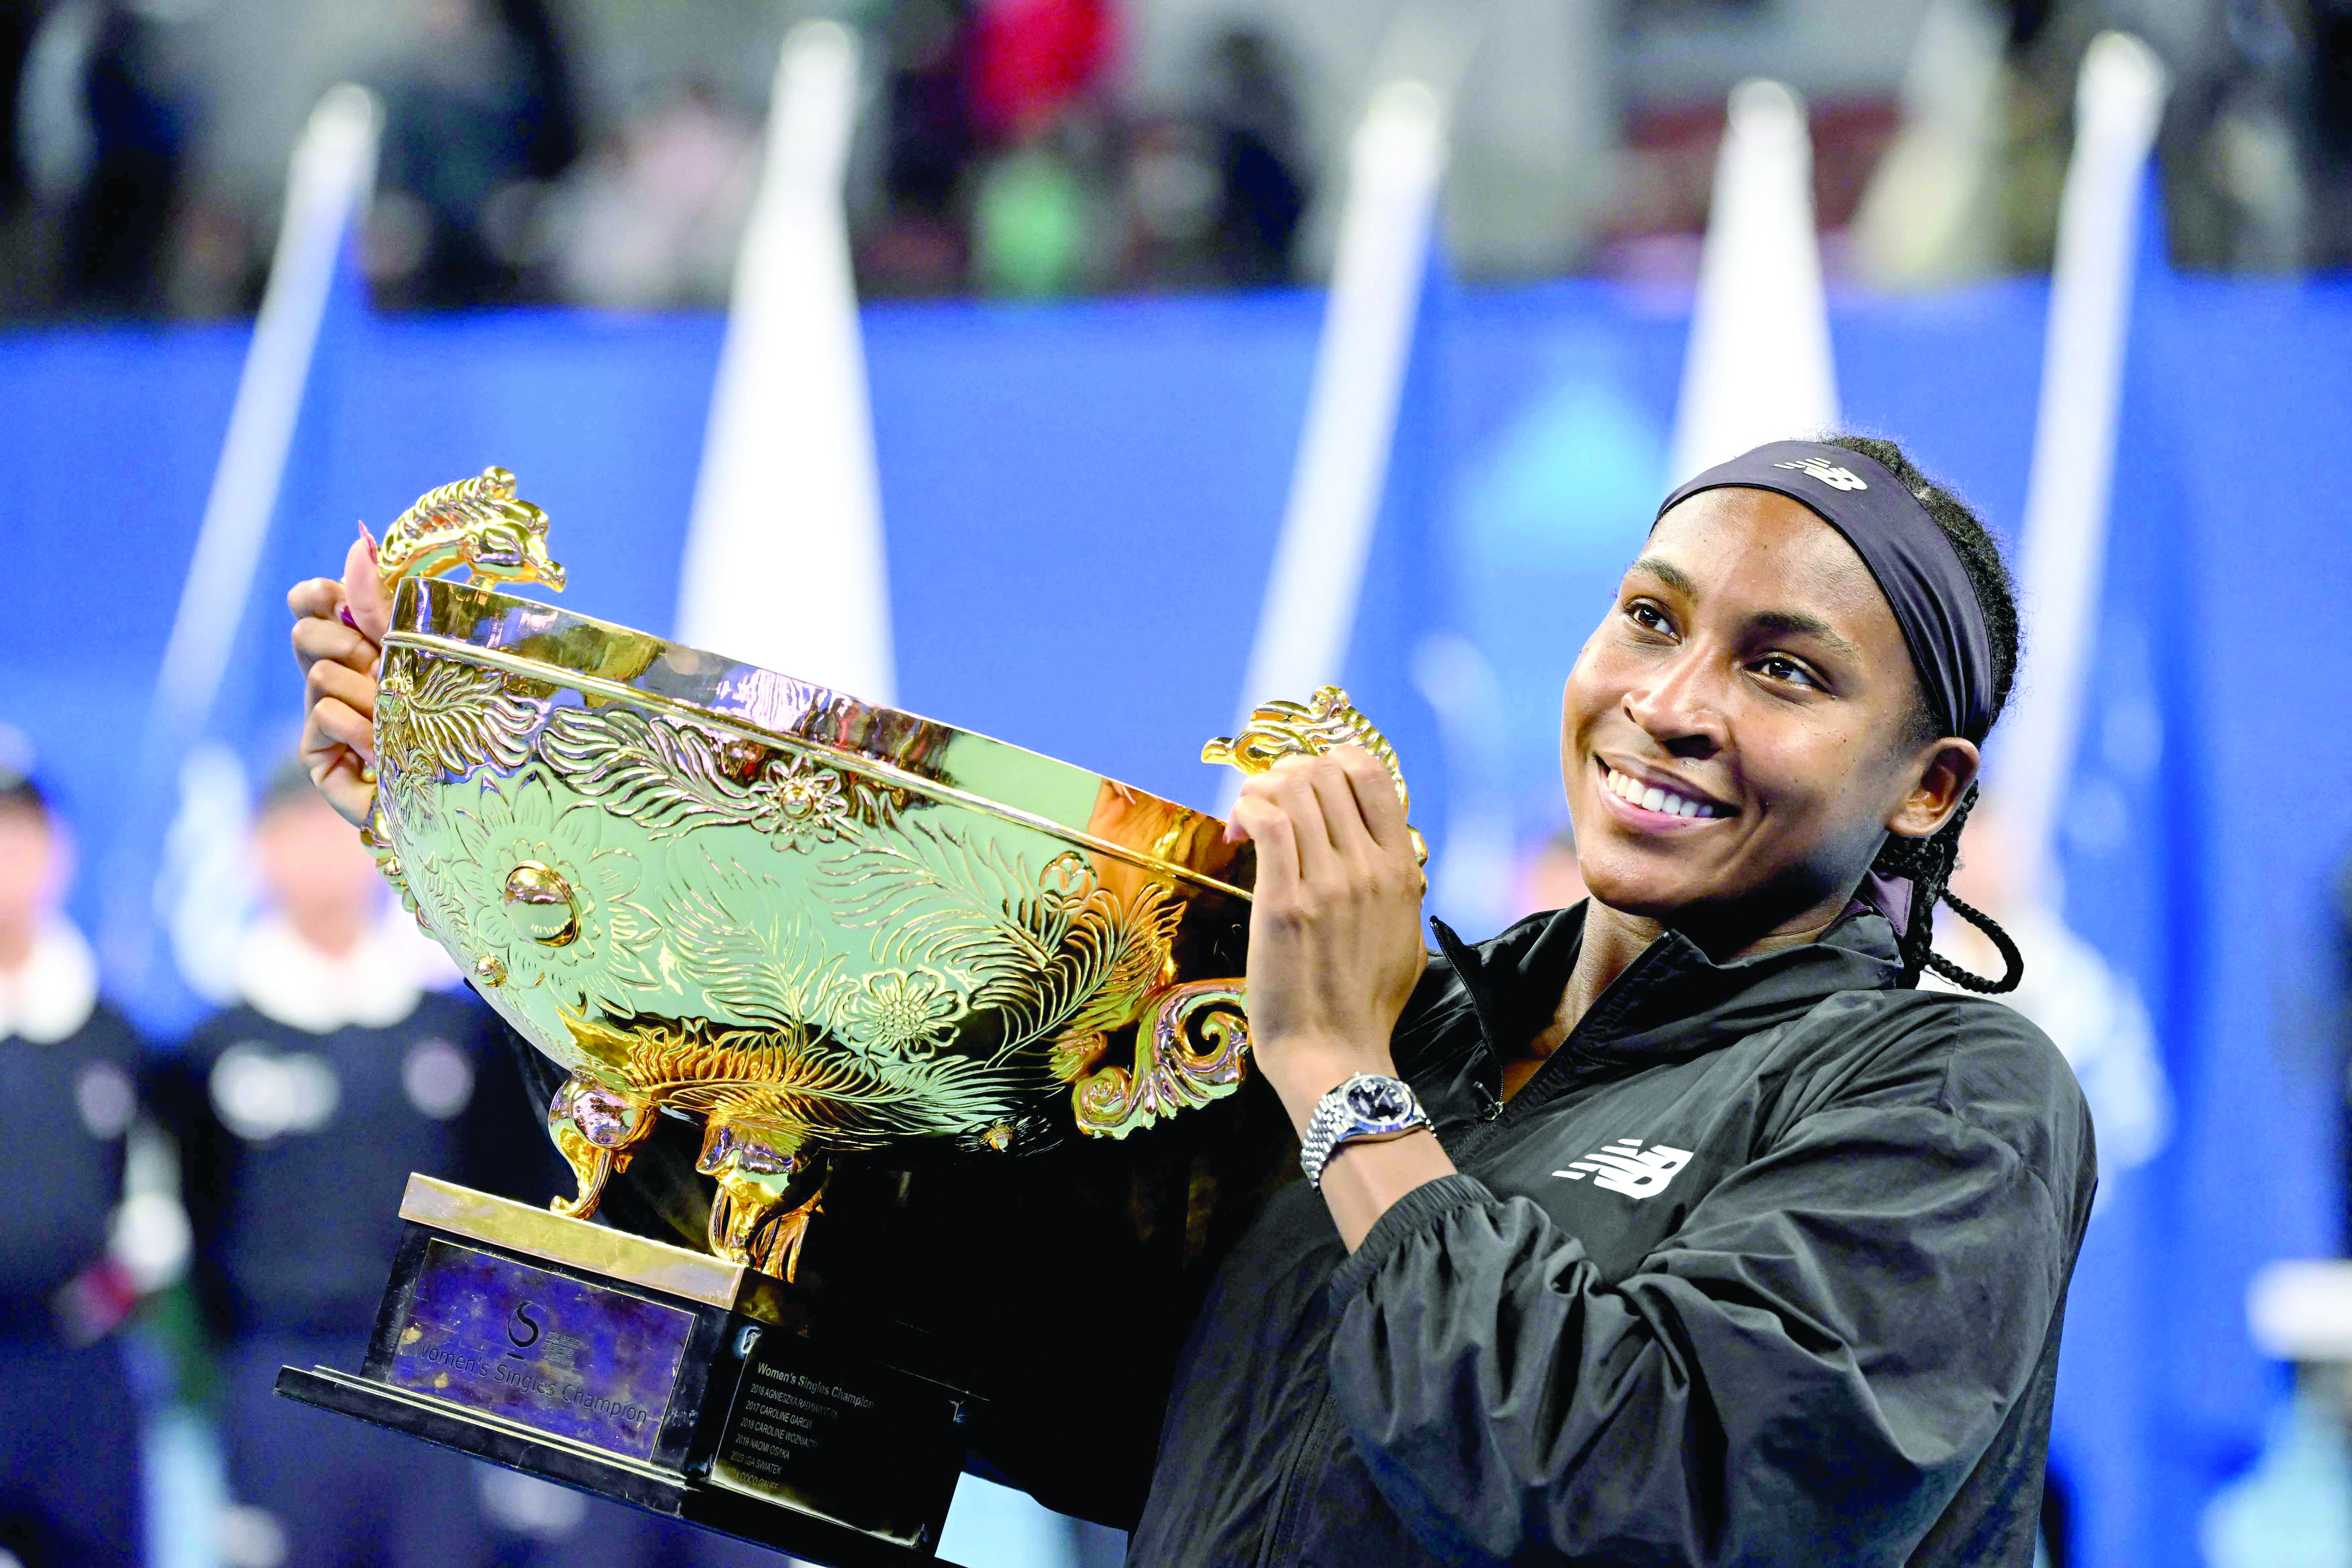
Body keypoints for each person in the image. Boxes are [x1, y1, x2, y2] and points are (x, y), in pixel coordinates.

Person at [1128, 435, 2095, 1564]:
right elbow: (1098, 1419)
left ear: (1928, 788)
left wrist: (1342, 1076)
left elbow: (1637, 1503)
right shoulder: (1421, 1030)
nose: (1671, 701)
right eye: (1652, 618)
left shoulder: (1952, 1099)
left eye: (1784, 669)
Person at [0, 754, 146, 1565]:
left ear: (60, 851)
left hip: (76, 1372)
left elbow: (156, 1204)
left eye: (20, 834)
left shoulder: (110, 1035)